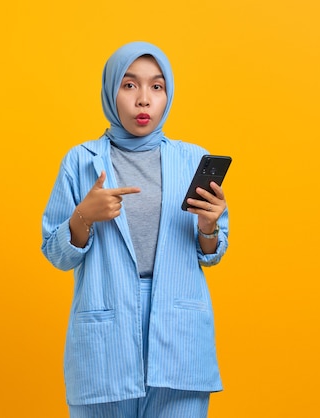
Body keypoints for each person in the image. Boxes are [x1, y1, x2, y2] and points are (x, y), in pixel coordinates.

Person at [41, 41, 230, 418]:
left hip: (179, 338)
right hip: (105, 338)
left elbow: (212, 254)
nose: (143, 100)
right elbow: (55, 253)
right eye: (129, 85)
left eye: (156, 87)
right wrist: (83, 216)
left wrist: (208, 226)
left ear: (168, 94)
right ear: (111, 91)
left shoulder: (192, 159)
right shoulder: (80, 162)